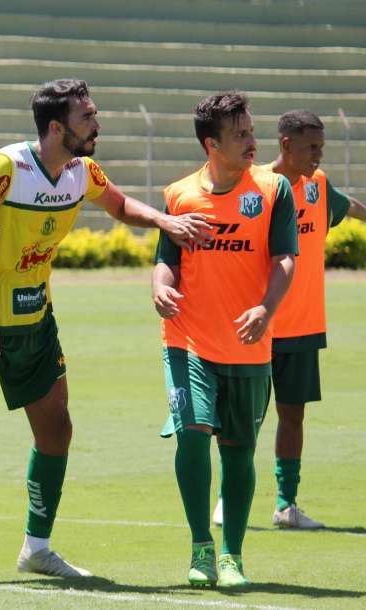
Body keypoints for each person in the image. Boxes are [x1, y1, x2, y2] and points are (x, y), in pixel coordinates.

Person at [0, 78, 213, 585]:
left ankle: (37, 547)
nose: (97, 125)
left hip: (36, 321)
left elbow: (117, 206)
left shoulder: (81, 171)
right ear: (56, 128)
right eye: (87, 118)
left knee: (57, 431)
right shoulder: (6, 167)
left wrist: (164, 221)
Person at [153, 91, 297, 588]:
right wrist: (159, 287)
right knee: (192, 436)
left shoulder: (275, 190)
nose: (252, 141)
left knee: (237, 453)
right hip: (188, 339)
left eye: (252, 132)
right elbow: (166, 259)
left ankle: (233, 555)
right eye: (241, 134)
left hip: (249, 345)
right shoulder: (178, 194)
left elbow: (284, 258)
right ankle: (201, 547)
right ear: (211, 143)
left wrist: (265, 307)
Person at [211, 110, 366, 530]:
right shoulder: (254, 185)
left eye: (321, 147)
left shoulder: (317, 186)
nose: (318, 155)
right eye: (311, 147)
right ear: (285, 144)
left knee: (293, 415)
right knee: (247, 418)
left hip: (305, 325)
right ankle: (229, 496)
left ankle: (286, 504)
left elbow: (346, 206)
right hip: (259, 324)